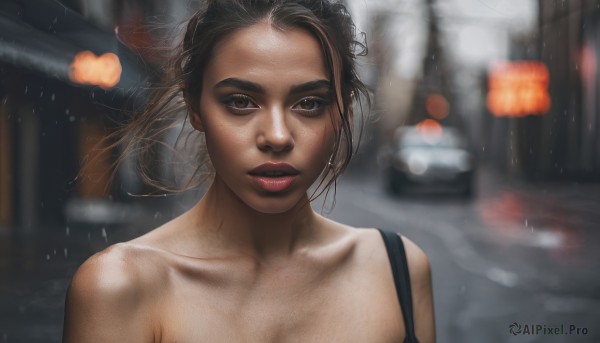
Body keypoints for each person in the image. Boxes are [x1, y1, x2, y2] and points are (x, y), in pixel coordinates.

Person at [62, 0, 436, 342]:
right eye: (240, 101)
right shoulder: (119, 288)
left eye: (309, 103)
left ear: (344, 112)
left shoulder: (398, 271)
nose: (277, 136)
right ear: (195, 107)